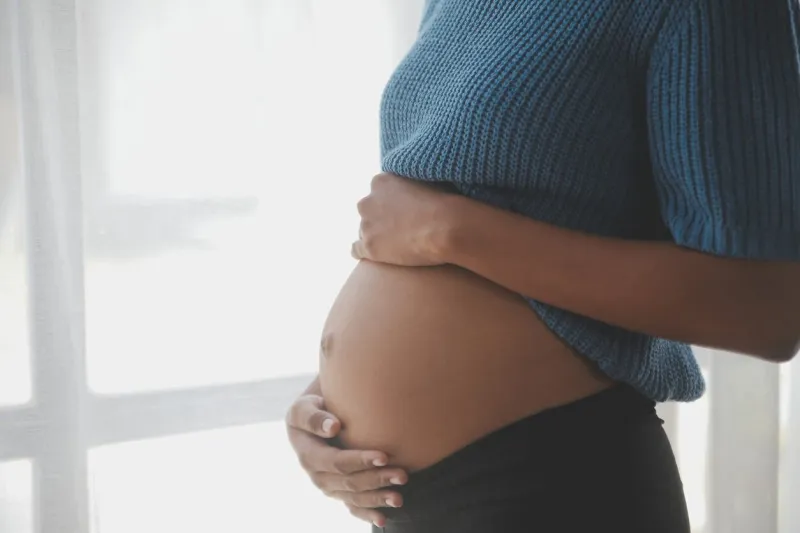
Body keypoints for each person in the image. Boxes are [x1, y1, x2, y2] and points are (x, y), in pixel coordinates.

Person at [286, 1, 800, 531]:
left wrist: (452, 231)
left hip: (549, 482)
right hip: (404, 502)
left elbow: (765, 308)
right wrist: (329, 406)